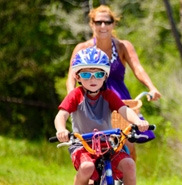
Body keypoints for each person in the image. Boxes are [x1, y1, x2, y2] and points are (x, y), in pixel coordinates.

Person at [66, 5, 161, 161]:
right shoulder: (82, 48)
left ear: (113, 24)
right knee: (91, 145)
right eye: (98, 22)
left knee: (129, 142)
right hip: (92, 100)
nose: (103, 26)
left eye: (107, 22)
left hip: (120, 100)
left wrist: (151, 88)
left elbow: (138, 68)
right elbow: (71, 78)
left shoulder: (123, 46)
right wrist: (72, 97)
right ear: (92, 24)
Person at [55, 47, 149, 185]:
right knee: (87, 167)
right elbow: (61, 115)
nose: (93, 79)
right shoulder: (75, 95)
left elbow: (124, 110)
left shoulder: (109, 95)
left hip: (109, 142)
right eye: (86, 75)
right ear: (77, 76)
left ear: (105, 76)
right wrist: (61, 130)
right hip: (83, 145)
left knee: (129, 165)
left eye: (98, 75)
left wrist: (137, 121)